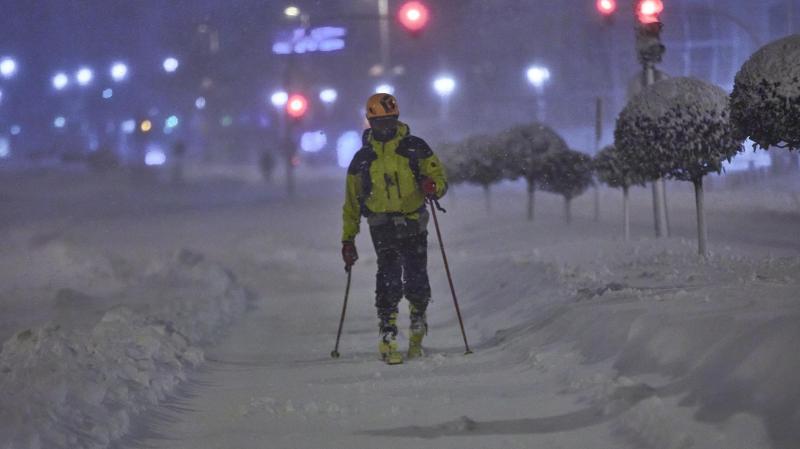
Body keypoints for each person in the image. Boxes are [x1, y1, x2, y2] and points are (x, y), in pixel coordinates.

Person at [340, 93, 448, 364]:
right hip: (381, 224)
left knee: (416, 275)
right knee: (387, 275)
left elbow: (439, 178)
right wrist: (348, 239)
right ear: (370, 122)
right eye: (379, 123)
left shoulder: (416, 148)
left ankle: (417, 321)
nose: (385, 128)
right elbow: (351, 203)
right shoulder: (363, 159)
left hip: (413, 221)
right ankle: (387, 330)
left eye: (389, 122)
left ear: (397, 119)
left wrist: (433, 187)